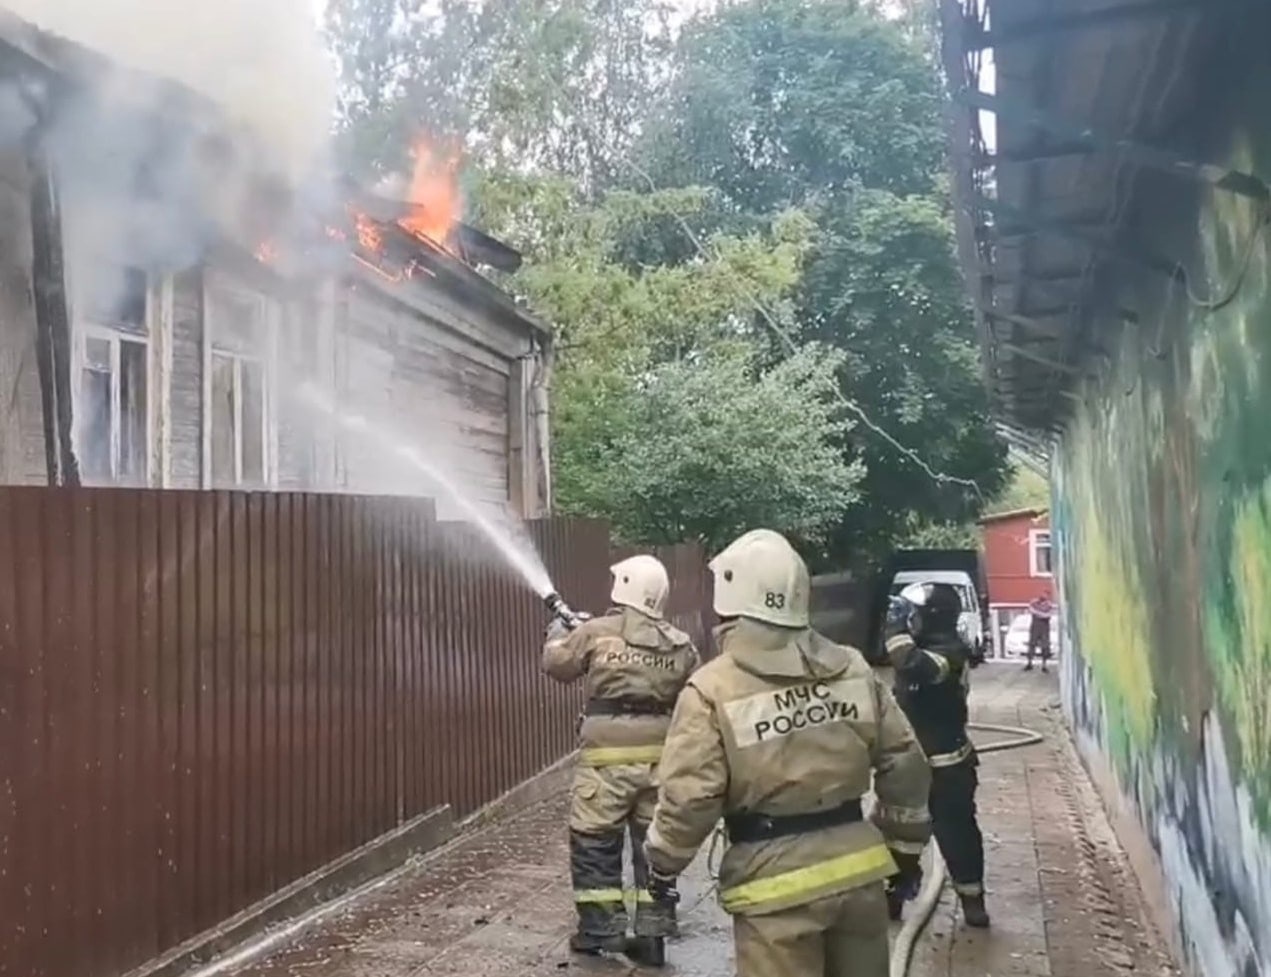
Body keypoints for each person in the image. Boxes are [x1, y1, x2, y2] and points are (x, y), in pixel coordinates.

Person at [642, 529, 932, 977]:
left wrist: (662, 865)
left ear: (732, 594)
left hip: (772, 889)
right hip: (860, 877)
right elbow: (905, 762)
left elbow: (691, 799)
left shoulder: (712, 688)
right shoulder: (852, 667)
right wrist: (903, 850)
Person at [541, 554, 700, 964]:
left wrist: (558, 632)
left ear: (624, 586)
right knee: (655, 847)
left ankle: (600, 931)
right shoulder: (681, 644)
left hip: (606, 765)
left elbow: (557, 665)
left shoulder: (595, 633)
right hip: (660, 764)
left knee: (594, 842)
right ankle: (653, 933)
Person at [883, 581, 990, 928]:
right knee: (899, 834)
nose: (909, 621)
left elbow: (914, 665)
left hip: (947, 767)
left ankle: (972, 901)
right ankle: (894, 896)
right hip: (911, 765)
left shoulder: (949, 653)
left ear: (931, 618)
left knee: (957, 834)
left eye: (912, 615)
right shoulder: (931, 647)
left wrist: (895, 628)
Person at [1025, 594, 1054, 672]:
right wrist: (1042, 614)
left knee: (1045, 646)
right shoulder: (1034, 603)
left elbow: (1048, 615)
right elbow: (1031, 610)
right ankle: (1029, 663)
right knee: (1032, 645)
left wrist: (1038, 614)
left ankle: (1044, 665)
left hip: (1043, 629)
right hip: (1036, 627)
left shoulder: (1049, 605)